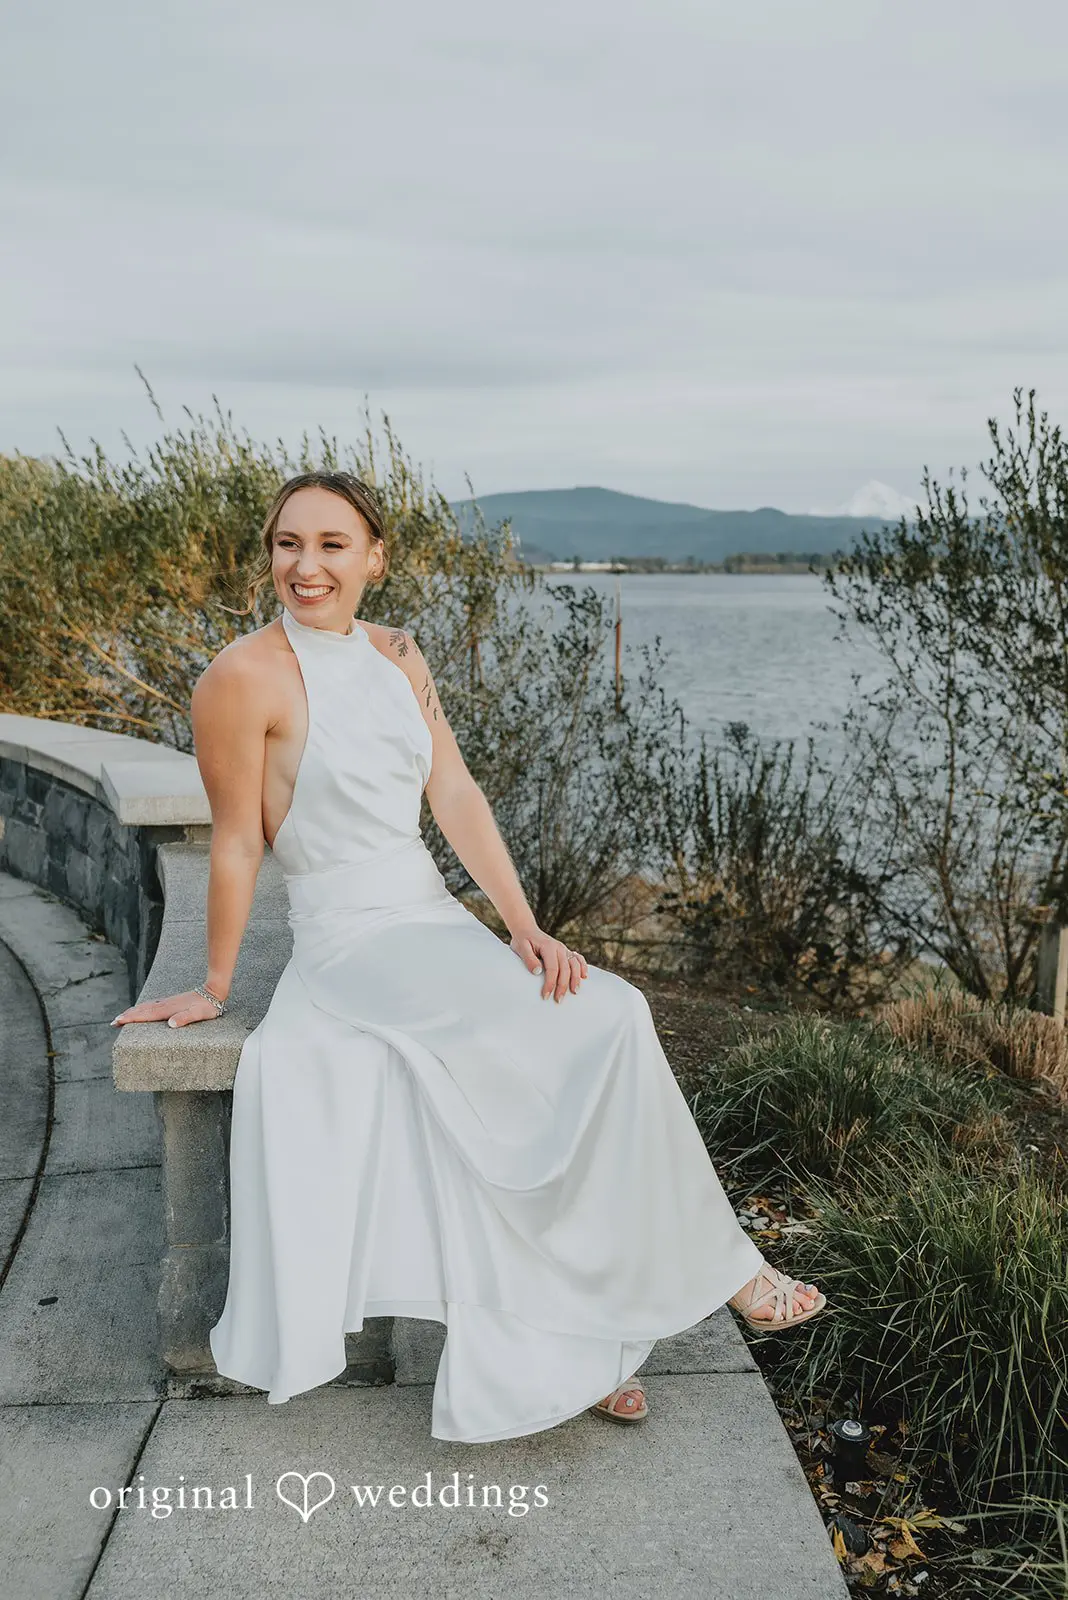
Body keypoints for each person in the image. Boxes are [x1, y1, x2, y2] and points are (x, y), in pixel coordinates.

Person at [112, 470, 825, 1441]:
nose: (306, 566)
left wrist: (523, 924)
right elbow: (237, 841)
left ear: (376, 558)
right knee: (540, 1051)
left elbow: (454, 792)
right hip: (352, 937)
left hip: (432, 917)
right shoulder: (239, 677)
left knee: (608, 1015)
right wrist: (215, 984)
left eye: (331, 544)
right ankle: (731, 1271)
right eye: (288, 543)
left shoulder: (401, 654)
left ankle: (583, 1333)